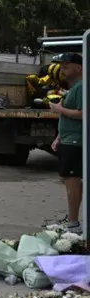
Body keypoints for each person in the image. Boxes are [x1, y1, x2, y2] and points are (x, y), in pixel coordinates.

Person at [49, 53, 83, 234]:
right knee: (70, 180)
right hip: (69, 139)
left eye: (66, 66)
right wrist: (59, 137)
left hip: (76, 141)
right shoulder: (75, 87)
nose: (62, 70)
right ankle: (73, 219)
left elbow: (83, 114)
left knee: (72, 181)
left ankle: (73, 223)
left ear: (78, 67)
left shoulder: (83, 86)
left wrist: (58, 108)